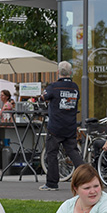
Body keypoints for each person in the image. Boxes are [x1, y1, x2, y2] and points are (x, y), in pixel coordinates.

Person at [40, 61, 84, 191]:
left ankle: (52, 183)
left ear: (58, 72)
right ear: (70, 73)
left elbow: (43, 97)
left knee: (52, 154)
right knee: (73, 152)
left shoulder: (54, 87)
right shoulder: (75, 87)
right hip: (70, 126)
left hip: (55, 127)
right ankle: (86, 177)